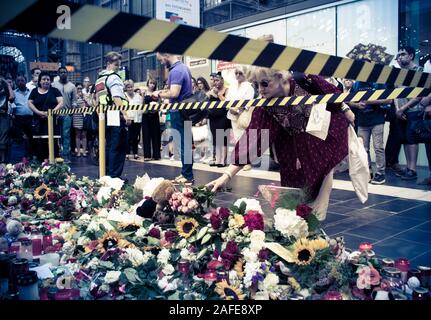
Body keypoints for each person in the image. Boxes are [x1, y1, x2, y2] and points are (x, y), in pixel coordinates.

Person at [206, 68, 354, 220]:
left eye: (264, 83)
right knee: (293, 204)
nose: (260, 90)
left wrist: (345, 109)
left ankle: (314, 236)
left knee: (318, 203)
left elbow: (332, 95)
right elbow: (251, 141)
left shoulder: (304, 79)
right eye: (255, 85)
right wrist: (225, 176)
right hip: (292, 158)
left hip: (323, 146)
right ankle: (302, 235)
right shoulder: (264, 107)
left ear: (280, 78)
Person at [153, 53, 193, 184]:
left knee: (183, 144)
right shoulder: (183, 68)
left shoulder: (176, 70)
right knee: (184, 143)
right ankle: (186, 173)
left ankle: (187, 176)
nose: (161, 63)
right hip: (184, 111)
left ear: (166, 55)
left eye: (161, 60)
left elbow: (174, 93)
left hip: (179, 111)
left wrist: (158, 93)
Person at [94, 51, 129, 178]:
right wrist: (125, 114)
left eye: (119, 65)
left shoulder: (100, 78)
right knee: (118, 146)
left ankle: (107, 174)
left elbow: (96, 99)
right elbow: (116, 98)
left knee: (108, 146)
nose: (118, 68)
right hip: (114, 115)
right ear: (108, 63)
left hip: (103, 116)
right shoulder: (114, 77)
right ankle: (114, 176)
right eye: (116, 65)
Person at [394, 46, 424, 181]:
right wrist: (397, 109)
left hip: (414, 110)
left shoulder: (418, 71)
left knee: (412, 140)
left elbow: (419, 96)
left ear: (411, 56)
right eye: (399, 55)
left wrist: (402, 108)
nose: (400, 57)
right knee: (405, 139)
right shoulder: (399, 74)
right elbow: (394, 93)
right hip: (400, 112)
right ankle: (408, 168)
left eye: (403, 54)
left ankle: (413, 169)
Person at [27, 71, 63, 161]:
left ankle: (53, 164)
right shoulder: (34, 91)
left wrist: (51, 113)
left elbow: (61, 102)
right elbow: (29, 102)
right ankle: (40, 163)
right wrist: (39, 112)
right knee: (39, 143)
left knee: (53, 142)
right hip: (38, 122)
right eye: (44, 79)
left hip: (52, 122)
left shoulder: (55, 91)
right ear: (39, 81)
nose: (46, 81)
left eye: (48, 79)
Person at [226, 65, 255, 171]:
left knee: (246, 139)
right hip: (232, 115)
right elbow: (227, 100)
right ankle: (240, 160)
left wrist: (237, 110)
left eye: (240, 73)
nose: (238, 75)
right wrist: (231, 109)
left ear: (245, 74)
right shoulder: (232, 86)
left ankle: (248, 162)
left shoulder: (249, 86)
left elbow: (247, 102)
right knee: (238, 139)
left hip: (243, 116)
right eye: (236, 73)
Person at [206, 72, 231, 167]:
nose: (216, 82)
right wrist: (210, 93)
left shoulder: (227, 90)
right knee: (216, 139)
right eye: (214, 80)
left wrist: (219, 95)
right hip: (213, 117)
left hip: (223, 117)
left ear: (222, 81)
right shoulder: (212, 91)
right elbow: (204, 99)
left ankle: (223, 161)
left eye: (218, 80)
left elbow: (227, 102)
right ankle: (217, 159)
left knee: (223, 139)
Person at [52, 66, 77, 163]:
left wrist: (72, 112)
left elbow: (74, 101)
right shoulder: (53, 85)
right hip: (56, 114)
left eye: (64, 72)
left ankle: (66, 156)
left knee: (66, 135)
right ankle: (56, 154)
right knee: (57, 135)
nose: (63, 74)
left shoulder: (72, 86)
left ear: (67, 73)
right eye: (61, 72)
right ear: (58, 74)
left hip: (67, 114)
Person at [11, 75, 33, 158]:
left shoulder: (31, 91)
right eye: (18, 81)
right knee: (22, 138)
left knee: (31, 138)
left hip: (30, 118)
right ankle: (22, 157)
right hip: (18, 119)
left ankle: (31, 156)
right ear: (16, 82)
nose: (20, 82)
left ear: (26, 81)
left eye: (22, 80)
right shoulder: (13, 93)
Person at [142, 78, 161, 160]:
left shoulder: (157, 93)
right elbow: (141, 103)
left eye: (153, 83)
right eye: (150, 83)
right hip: (146, 115)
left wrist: (155, 109)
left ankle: (156, 155)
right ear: (147, 83)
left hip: (155, 115)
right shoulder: (144, 93)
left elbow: (160, 103)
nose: (152, 85)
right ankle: (147, 155)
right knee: (146, 135)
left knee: (156, 135)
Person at [124, 79, 143, 160]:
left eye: (131, 87)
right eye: (128, 87)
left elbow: (141, 107)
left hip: (137, 119)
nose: (130, 89)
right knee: (128, 137)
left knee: (136, 137)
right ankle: (127, 153)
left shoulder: (138, 96)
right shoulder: (124, 96)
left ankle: (135, 153)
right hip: (128, 119)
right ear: (126, 88)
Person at [72, 83, 88, 157]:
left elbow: (89, 105)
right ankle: (78, 151)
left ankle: (84, 151)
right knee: (78, 135)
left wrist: (85, 99)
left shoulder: (85, 96)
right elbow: (73, 107)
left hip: (84, 117)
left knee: (84, 135)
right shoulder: (74, 97)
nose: (79, 90)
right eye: (78, 88)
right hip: (76, 117)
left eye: (80, 88)